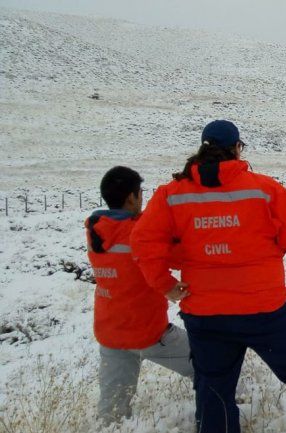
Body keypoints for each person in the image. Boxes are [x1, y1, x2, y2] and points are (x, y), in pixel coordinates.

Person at [130, 120, 286, 433]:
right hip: (267, 310)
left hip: (205, 313)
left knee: (213, 390)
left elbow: (143, 242)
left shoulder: (171, 195)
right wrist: (270, 244)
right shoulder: (263, 188)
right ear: (237, 149)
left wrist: (165, 285)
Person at [85, 166, 193, 425]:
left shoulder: (96, 229)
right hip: (149, 333)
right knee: (210, 363)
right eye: (140, 194)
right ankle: (240, 404)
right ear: (132, 198)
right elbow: (179, 256)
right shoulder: (141, 232)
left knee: (112, 411)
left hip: (110, 331)